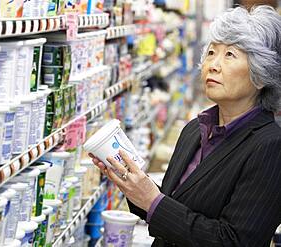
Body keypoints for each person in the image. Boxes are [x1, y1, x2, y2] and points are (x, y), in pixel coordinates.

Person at [89, 5, 281, 247]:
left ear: (262, 74)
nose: (213, 64)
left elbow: (235, 241)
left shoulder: (270, 146)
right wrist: (131, 182)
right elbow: (172, 206)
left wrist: (152, 201)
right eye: (211, 52)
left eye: (230, 55)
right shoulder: (194, 130)